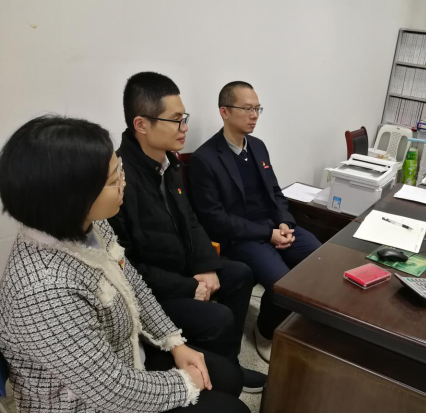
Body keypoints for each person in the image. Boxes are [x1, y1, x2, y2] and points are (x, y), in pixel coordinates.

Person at [0, 115, 250, 413]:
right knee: (232, 407)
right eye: (113, 179)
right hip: (89, 402)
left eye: (119, 169)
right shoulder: (43, 291)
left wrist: (175, 342)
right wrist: (184, 384)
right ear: (72, 199)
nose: (124, 182)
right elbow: (109, 390)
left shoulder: (91, 224)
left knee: (228, 377)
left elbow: (133, 285)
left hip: (127, 354)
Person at [108, 72, 265, 392]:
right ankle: (215, 376)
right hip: (151, 292)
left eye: (185, 118)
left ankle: (229, 363)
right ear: (141, 124)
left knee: (240, 274)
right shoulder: (120, 181)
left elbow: (190, 220)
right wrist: (189, 286)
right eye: (176, 120)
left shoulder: (168, 163)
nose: (185, 128)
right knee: (218, 318)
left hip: (180, 269)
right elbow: (126, 267)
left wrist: (206, 265)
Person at [188, 82, 322, 362]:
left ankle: (299, 319)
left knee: (318, 258)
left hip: (273, 226)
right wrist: (268, 233)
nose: (254, 115)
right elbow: (215, 219)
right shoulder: (205, 159)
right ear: (224, 111)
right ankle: (265, 329)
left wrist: (284, 222)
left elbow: (275, 192)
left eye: (257, 109)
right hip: (241, 237)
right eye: (247, 109)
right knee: (282, 283)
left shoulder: (258, 147)